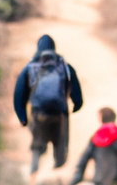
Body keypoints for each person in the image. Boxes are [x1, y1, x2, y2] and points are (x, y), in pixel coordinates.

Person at [13, 34, 83, 183]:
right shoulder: (65, 66)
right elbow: (77, 94)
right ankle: (57, 177)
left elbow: (19, 95)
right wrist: (76, 106)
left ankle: (33, 175)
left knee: (38, 145)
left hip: (39, 114)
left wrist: (23, 118)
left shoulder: (30, 67)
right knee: (60, 145)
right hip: (60, 113)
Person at [70, 107, 117, 185]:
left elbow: (84, 158)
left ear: (101, 118)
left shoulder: (96, 136)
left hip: (99, 178)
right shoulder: (116, 132)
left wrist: (76, 179)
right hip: (115, 177)